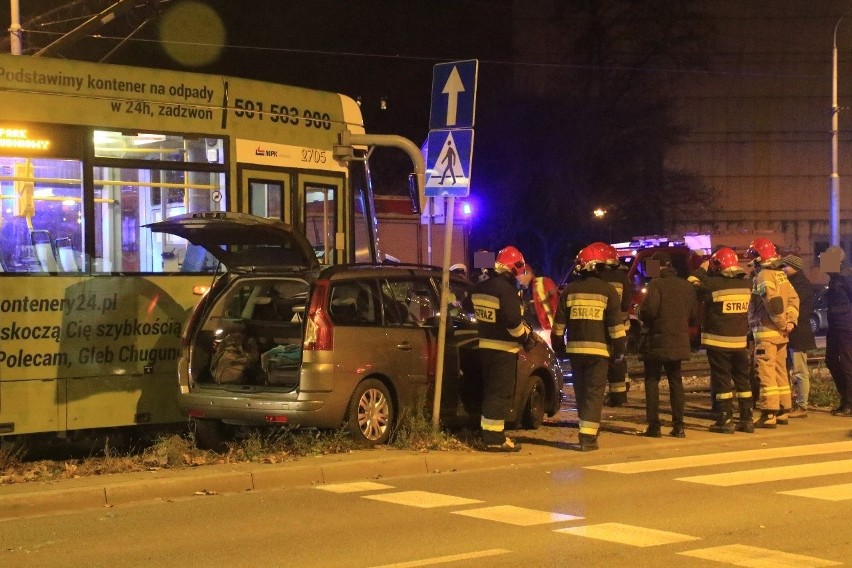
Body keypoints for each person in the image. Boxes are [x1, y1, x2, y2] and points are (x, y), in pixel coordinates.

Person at [551, 244, 626, 451]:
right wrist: (619, 351)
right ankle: (588, 438)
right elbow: (616, 328)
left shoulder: (570, 290)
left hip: (575, 352)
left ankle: (587, 429)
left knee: (582, 392)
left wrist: (559, 348)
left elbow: (558, 326)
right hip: (599, 353)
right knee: (594, 393)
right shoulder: (608, 291)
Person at [465, 245, 537, 451]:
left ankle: (488, 434)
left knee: (491, 392)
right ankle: (495, 439)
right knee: (500, 394)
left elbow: (468, 307)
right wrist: (526, 338)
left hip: (484, 348)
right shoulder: (506, 290)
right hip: (504, 350)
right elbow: (513, 323)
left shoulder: (481, 287)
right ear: (513, 267)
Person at [689, 247, 754, 434]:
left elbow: (691, 284)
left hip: (718, 342)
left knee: (722, 380)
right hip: (740, 342)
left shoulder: (712, 284)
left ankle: (725, 421)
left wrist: (702, 268)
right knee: (743, 381)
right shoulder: (746, 284)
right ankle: (746, 419)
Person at [638, 252, 697, 438]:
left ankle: (654, 427)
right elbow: (694, 315)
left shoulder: (656, 284)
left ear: (657, 265)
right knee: (675, 382)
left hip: (657, 341)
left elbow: (649, 312)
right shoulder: (686, 285)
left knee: (652, 382)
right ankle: (679, 426)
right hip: (679, 341)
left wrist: (639, 312)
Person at [747, 237, 799, 428]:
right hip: (781, 335)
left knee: (766, 373)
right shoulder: (781, 275)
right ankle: (783, 410)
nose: (751, 259)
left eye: (753, 254)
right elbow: (793, 299)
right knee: (780, 372)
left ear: (760, 256)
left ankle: (769, 413)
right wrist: (791, 322)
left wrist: (782, 323)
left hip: (767, 332)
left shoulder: (763, 276)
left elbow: (773, 304)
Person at [596, 242, 633, 407]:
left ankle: (609, 394)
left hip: (602, 325)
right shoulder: (622, 277)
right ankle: (620, 394)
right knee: (619, 357)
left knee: (605, 359)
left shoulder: (599, 277)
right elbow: (626, 303)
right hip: (621, 324)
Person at [781, 254, 816, 418]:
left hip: (799, 334)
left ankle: (802, 406)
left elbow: (800, 311)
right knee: (790, 370)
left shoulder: (801, 286)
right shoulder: (793, 283)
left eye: (785, 266)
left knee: (800, 371)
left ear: (793, 267)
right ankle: (792, 401)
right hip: (792, 334)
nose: (782, 269)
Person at [822, 246, 852, 417]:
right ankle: (845, 398)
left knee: (847, 363)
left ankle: (849, 403)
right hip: (834, 325)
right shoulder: (834, 278)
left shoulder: (846, 276)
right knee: (831, 360)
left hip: (846, 325)